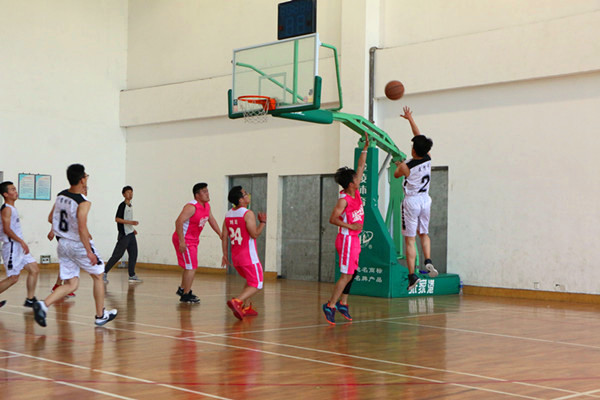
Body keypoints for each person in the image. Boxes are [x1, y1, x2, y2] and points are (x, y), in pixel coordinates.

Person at [32, 164, 117, 327]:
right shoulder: (83, 203)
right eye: (86, 176)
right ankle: (100, 315)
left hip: (62, 244)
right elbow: (81, 228)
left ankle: (43, 304)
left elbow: (51, 218)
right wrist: (89, 251)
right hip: (77, 245)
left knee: (72, 284)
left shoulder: (60, 196)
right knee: (98, 275)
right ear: (82, 180)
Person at [322, 136, 369, 325]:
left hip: (355, 239)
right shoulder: (344, 200)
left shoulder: (355, 191)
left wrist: (365, 148)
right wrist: (350, 226)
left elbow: (361, 166)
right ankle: (330, 305)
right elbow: (332, 219)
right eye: (356, 179)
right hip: (347, 239)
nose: (359, 178)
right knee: (346, 275)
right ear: (350, 183)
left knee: (352, 273)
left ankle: (343, 303)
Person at [393, 106, 439, 291]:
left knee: (410, 240)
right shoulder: (428, 157)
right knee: (424, 234)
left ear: (413, 150)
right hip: (425, 200)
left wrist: (399, 164)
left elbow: (396, 174)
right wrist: (410, 119)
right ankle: (428, 260)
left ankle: (412, 276)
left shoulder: (407, 165)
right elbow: (419, 137)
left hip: (411, 202)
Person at [221, 186, 266, 320]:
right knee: (257, 284)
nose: (248, 195)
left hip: (236, 257)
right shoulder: (247, 213)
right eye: (245, 194)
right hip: (249, 257)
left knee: (250, 280)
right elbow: (254, 234)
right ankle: (237, 301)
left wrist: (225, 255)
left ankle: (246, 307)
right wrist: (263, 223)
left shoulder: (228, 215)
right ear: (241, 200)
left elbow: (224, 236)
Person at [172, 183, 221, 303]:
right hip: (185, 239)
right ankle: (186, 294)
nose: (207, 193)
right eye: (204, 191)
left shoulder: (207, 206)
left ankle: (182, 289)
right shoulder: (191, 207)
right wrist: (182, 241)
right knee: (192, 267)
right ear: (197, 195)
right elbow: (178, 222)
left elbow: (211, 219)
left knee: (189, 266)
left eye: (207, 191)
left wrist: (220, 234)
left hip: (193, 240)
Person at [0, 181, 39, 308]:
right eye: (12, 190)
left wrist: (21, 243)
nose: (15, 191)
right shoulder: (7, 209)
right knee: (13, 278)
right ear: (5, 194)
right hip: (11, 247)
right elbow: (7, 230)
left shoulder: (12, 208)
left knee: (34, 269)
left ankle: (30, 299)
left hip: (18, 246)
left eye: (15, 189)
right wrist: (21, 241)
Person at [103, 185, 141, 284]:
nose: (130, 194)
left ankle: (132, 275)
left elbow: (127, 220)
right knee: (117, 255)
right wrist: (131, 223)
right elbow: (117, 219)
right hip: (124, 235)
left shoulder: (130, 206)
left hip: (130, 234)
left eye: (131, 192)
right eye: (128, 192)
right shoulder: (122, 205)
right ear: (124, 194)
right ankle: (103, 273)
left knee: (133, 253)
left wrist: (132, 229)